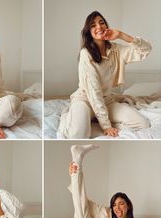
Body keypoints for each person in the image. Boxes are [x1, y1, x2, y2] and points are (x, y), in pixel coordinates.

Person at [58, 11, 152, 139]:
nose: (99, 27)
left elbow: (146, 49)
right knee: (79, 135)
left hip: (106, 100)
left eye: (101, 23)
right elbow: (94, 91)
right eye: (93, 25)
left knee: (143, 123)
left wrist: (121, 35)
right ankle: (68, 116)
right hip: (85, 100)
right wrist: (106, 125)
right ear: (88, 32)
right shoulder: (86, 54)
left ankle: (94, 118)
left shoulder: (116, 49)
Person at [69, 144, 161, 218]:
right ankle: (78, 160)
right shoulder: (105, 212)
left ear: (128, 206)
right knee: (81, 211)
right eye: (114, 205)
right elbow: (82, 200)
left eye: (121, 204)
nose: (116, 208)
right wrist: (74, 175)